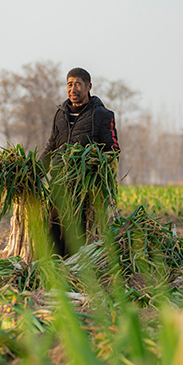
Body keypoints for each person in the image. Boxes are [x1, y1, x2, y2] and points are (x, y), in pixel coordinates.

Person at [38, 67, 119, 256]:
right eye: (69, 84)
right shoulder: (60, 113)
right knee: (54, 229)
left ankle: (74, 275)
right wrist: (36, 173)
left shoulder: (102, 115)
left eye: (78, 85)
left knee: (75, 235)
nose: (73, 89)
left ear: (88, 86)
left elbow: (112, 151)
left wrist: (97, 171)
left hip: (84, 190)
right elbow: (51, 146)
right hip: (58, 184)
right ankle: (53, 272)